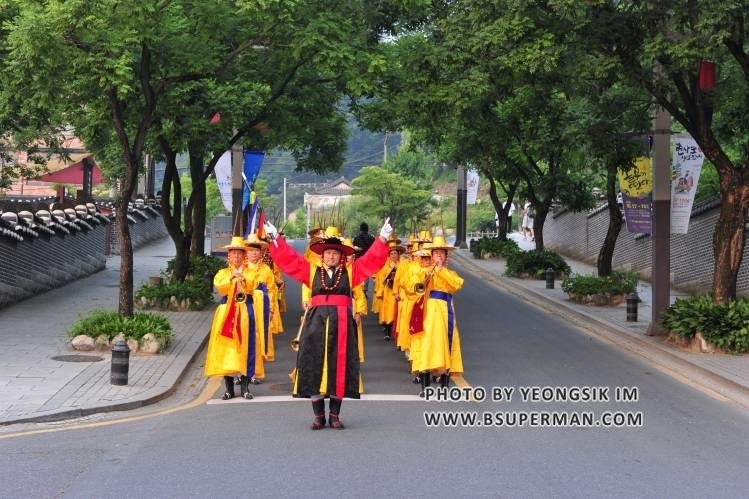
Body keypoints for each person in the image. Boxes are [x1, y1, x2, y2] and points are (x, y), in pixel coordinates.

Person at [264, 217, 393, 430]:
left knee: (338, 366)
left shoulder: (351, 273)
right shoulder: (312, 271)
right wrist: (275, 238)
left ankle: (334, 415)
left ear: (341, 257)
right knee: (314, 364)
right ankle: (318, 416)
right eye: (328, 253)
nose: (331, 256)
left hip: (341, 325)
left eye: (335, 253)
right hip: (316, 323)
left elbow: (371, 262)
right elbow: (289, 260)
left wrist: (382, 239)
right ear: (321, 256)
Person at [408, 235, 465, 397]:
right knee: (426, 345)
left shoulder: (450, 273)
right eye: (436, 253)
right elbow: (413, 288)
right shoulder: (424, 271)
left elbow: (456, 285)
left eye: (442, 253)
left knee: (446, 343)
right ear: (431, 256)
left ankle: (444, 385)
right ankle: (425, 387)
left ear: (446, 257)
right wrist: (427, 275)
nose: (439, 256)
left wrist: (440, 270)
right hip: (427, 311)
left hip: (445, 311)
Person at [203, 236, 258, 400]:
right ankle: (229, 389)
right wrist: (231, 278)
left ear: (244, 256)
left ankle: (245, 388)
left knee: (246, 348)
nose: (236, 257)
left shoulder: (250, 272)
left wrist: (242, 277)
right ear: (228, 256)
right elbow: (220, 287)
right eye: (233, 254)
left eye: (240, 254)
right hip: (226, 312)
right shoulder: (222, 273)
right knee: (227, 350)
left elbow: (252, 285)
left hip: (245, 312)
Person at [353, 222, 376, 296]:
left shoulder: (356, 238)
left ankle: (358, 289)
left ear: (360, 229)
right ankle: (364, 290)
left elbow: (354, 248)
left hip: (358, 258)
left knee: (359, 273)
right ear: (367, 229)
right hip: (367, 258)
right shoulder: (371, 238)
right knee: (366, 275)